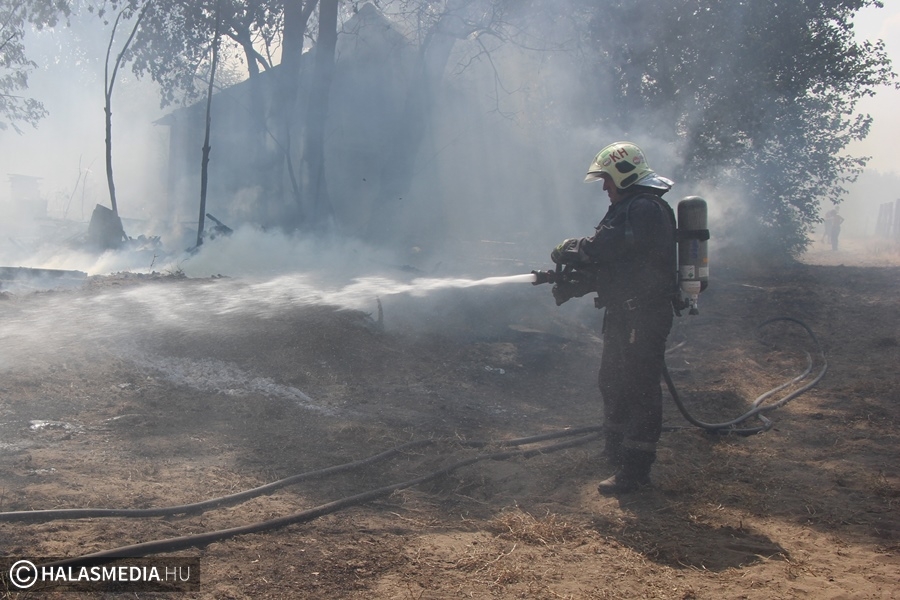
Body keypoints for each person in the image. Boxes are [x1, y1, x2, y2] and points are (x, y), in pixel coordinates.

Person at [548, 141, 678, 495]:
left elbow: (606, 247)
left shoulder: (644, 208)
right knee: (612, 381)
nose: (605, 187)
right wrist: (576, 283)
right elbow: (618, 266)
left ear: (625, 174)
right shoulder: (630, 208)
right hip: (625, 312)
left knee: (639, 388)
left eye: (607, 179)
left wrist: (571, 248)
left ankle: (635, 472)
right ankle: (617, 452)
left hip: (643, 315)